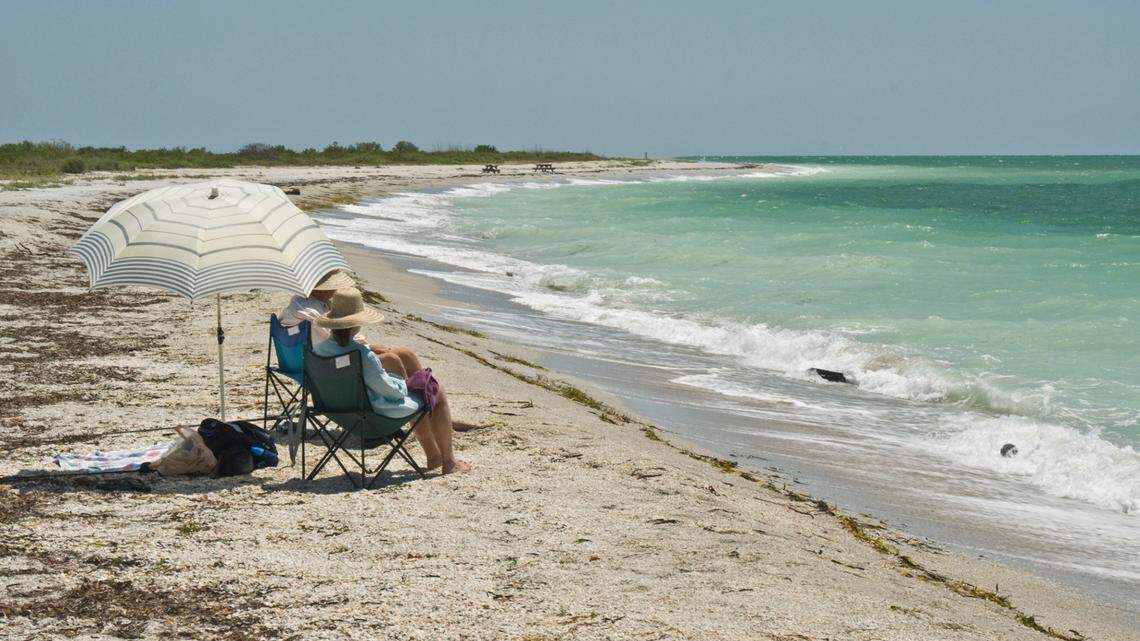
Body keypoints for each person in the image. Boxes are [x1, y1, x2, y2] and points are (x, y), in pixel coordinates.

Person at [312, 288, 472, 474]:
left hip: (338, 413)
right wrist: (402, 381)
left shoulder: (318, 351)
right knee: (435, 390)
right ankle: (449, 462)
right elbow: (393, 393)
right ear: (356, 324)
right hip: (373, 416)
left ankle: (434, 456)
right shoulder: (362, 355)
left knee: (421, 383)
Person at [279, 270, 425, 377]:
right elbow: (338, 343)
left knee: (402, 354)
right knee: (400, 357)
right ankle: (420, 405)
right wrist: (369, 348)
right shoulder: (312, 314)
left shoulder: (300, 303)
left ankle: (425, 401)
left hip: (306, 362)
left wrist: (369, 347)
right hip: (333, 366)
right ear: (323, 289)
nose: (336, 289)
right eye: (334, 286)